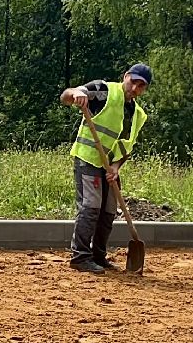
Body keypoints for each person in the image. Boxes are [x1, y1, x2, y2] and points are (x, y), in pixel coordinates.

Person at [59, 63, 152, 273]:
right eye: (133, 81)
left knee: (109, 211)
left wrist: (116, 167)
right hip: (88, 158)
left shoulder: (137, 115)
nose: (134, 88)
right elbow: (66, 96)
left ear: (145, 89)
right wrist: (77, 93)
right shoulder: (103, 91)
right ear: (126, 76)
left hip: (109, 166)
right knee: (90, 207)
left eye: (141, 86)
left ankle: (98, 256)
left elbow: (127, 147)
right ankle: (80, 257)